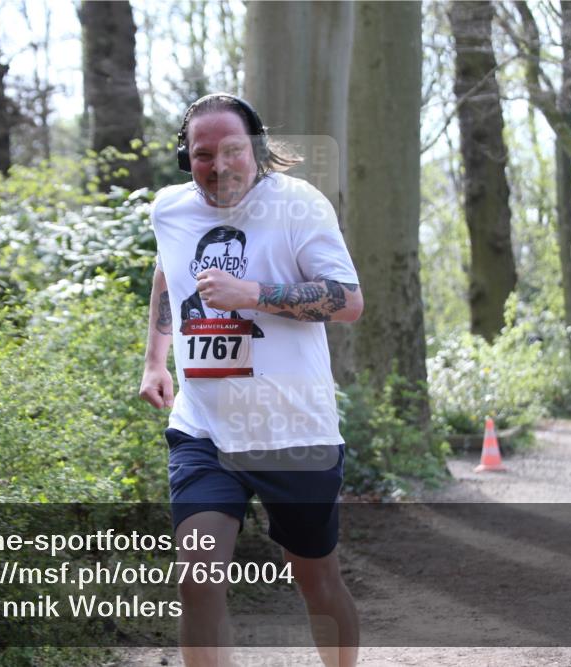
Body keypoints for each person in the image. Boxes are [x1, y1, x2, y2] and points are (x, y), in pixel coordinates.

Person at [138, 92, 362, 667]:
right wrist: (155, 360)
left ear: (256, 148)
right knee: (197, 579)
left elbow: (348, 301)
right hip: (205, 432)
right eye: (203, 154)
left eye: (232, 150)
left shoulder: (298, 206)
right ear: (187, 158)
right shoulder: (170, 209)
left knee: (317, 582)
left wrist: (254, 296)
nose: (218, 166)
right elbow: (169, 269)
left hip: (295, 433)